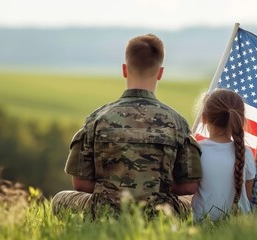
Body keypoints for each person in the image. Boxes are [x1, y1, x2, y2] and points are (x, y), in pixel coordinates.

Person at [51, 34, 202, 218]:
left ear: (124, 69)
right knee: (192, 202)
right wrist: (153, 188)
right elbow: (189, 186)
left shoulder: (97, 119)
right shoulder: (177, 122)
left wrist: (114, 191)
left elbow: (80, 184)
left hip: (103, 212)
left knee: (60, 199)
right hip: (159, 215)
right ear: (160, 73)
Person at [191, 89, 256, 221]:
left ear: (204, 118)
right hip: (240, 225)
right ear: (241, 120)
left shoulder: (197, 150)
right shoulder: (246, 153)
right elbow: (248, 195)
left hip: (203, 223)